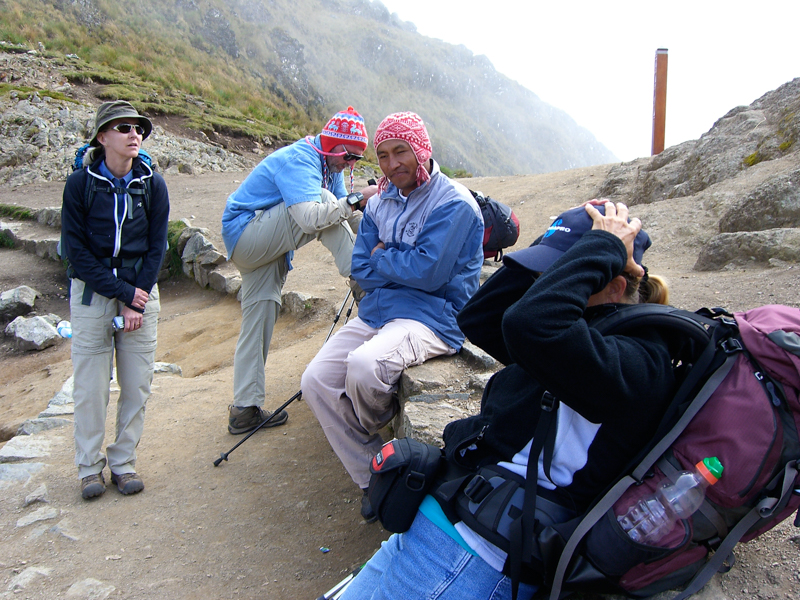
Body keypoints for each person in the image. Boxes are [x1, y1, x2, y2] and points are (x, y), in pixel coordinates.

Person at [338, 201, 673, 599]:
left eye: (558, 275)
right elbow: (478, 316)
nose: (543, 284)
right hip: (441, 521)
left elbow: (527, 321)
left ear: (614, 286)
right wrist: (550, 245)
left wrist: (600, 245)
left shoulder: (636, 361)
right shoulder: (573, 340)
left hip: (477, 555)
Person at [301, 112, 485, 522]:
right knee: (314, 380)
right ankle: (374, 475)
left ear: (420, 149)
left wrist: (384, 255)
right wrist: (390, 262)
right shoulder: (380, 200)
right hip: (380, 309)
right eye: (382, 155)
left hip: (433, 316)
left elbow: (429, 274)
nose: (391, 163)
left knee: (364, 368)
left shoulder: (453, 204)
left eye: (400, 151)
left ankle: (376, 444)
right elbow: (359, 268)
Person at [221, 107, 375, 435]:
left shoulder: (328, 164)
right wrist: (358, 198)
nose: (351, 164)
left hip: (261, 247)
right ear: (331, 144)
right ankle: (365, 281)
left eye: (357, 159)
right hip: (247, 235)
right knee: (321, 202)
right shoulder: (302, 159)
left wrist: (375, 227)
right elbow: (312, 217)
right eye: (348, 155)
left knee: (260, 316)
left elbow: (343, 215)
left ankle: (244, 409)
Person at [61, 100, 169, 499]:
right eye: (123, 128)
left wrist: (136, 301)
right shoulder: (80, 185)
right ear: (102, 137)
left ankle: (123, 464)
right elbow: (76, 252)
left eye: (138, 128)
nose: (134, 134)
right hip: (94, 293)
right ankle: (89, 468)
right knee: (90, 385)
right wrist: (124, 294)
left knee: (137, 382)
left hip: (140, 290)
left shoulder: (153, 184)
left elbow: (158, 246)